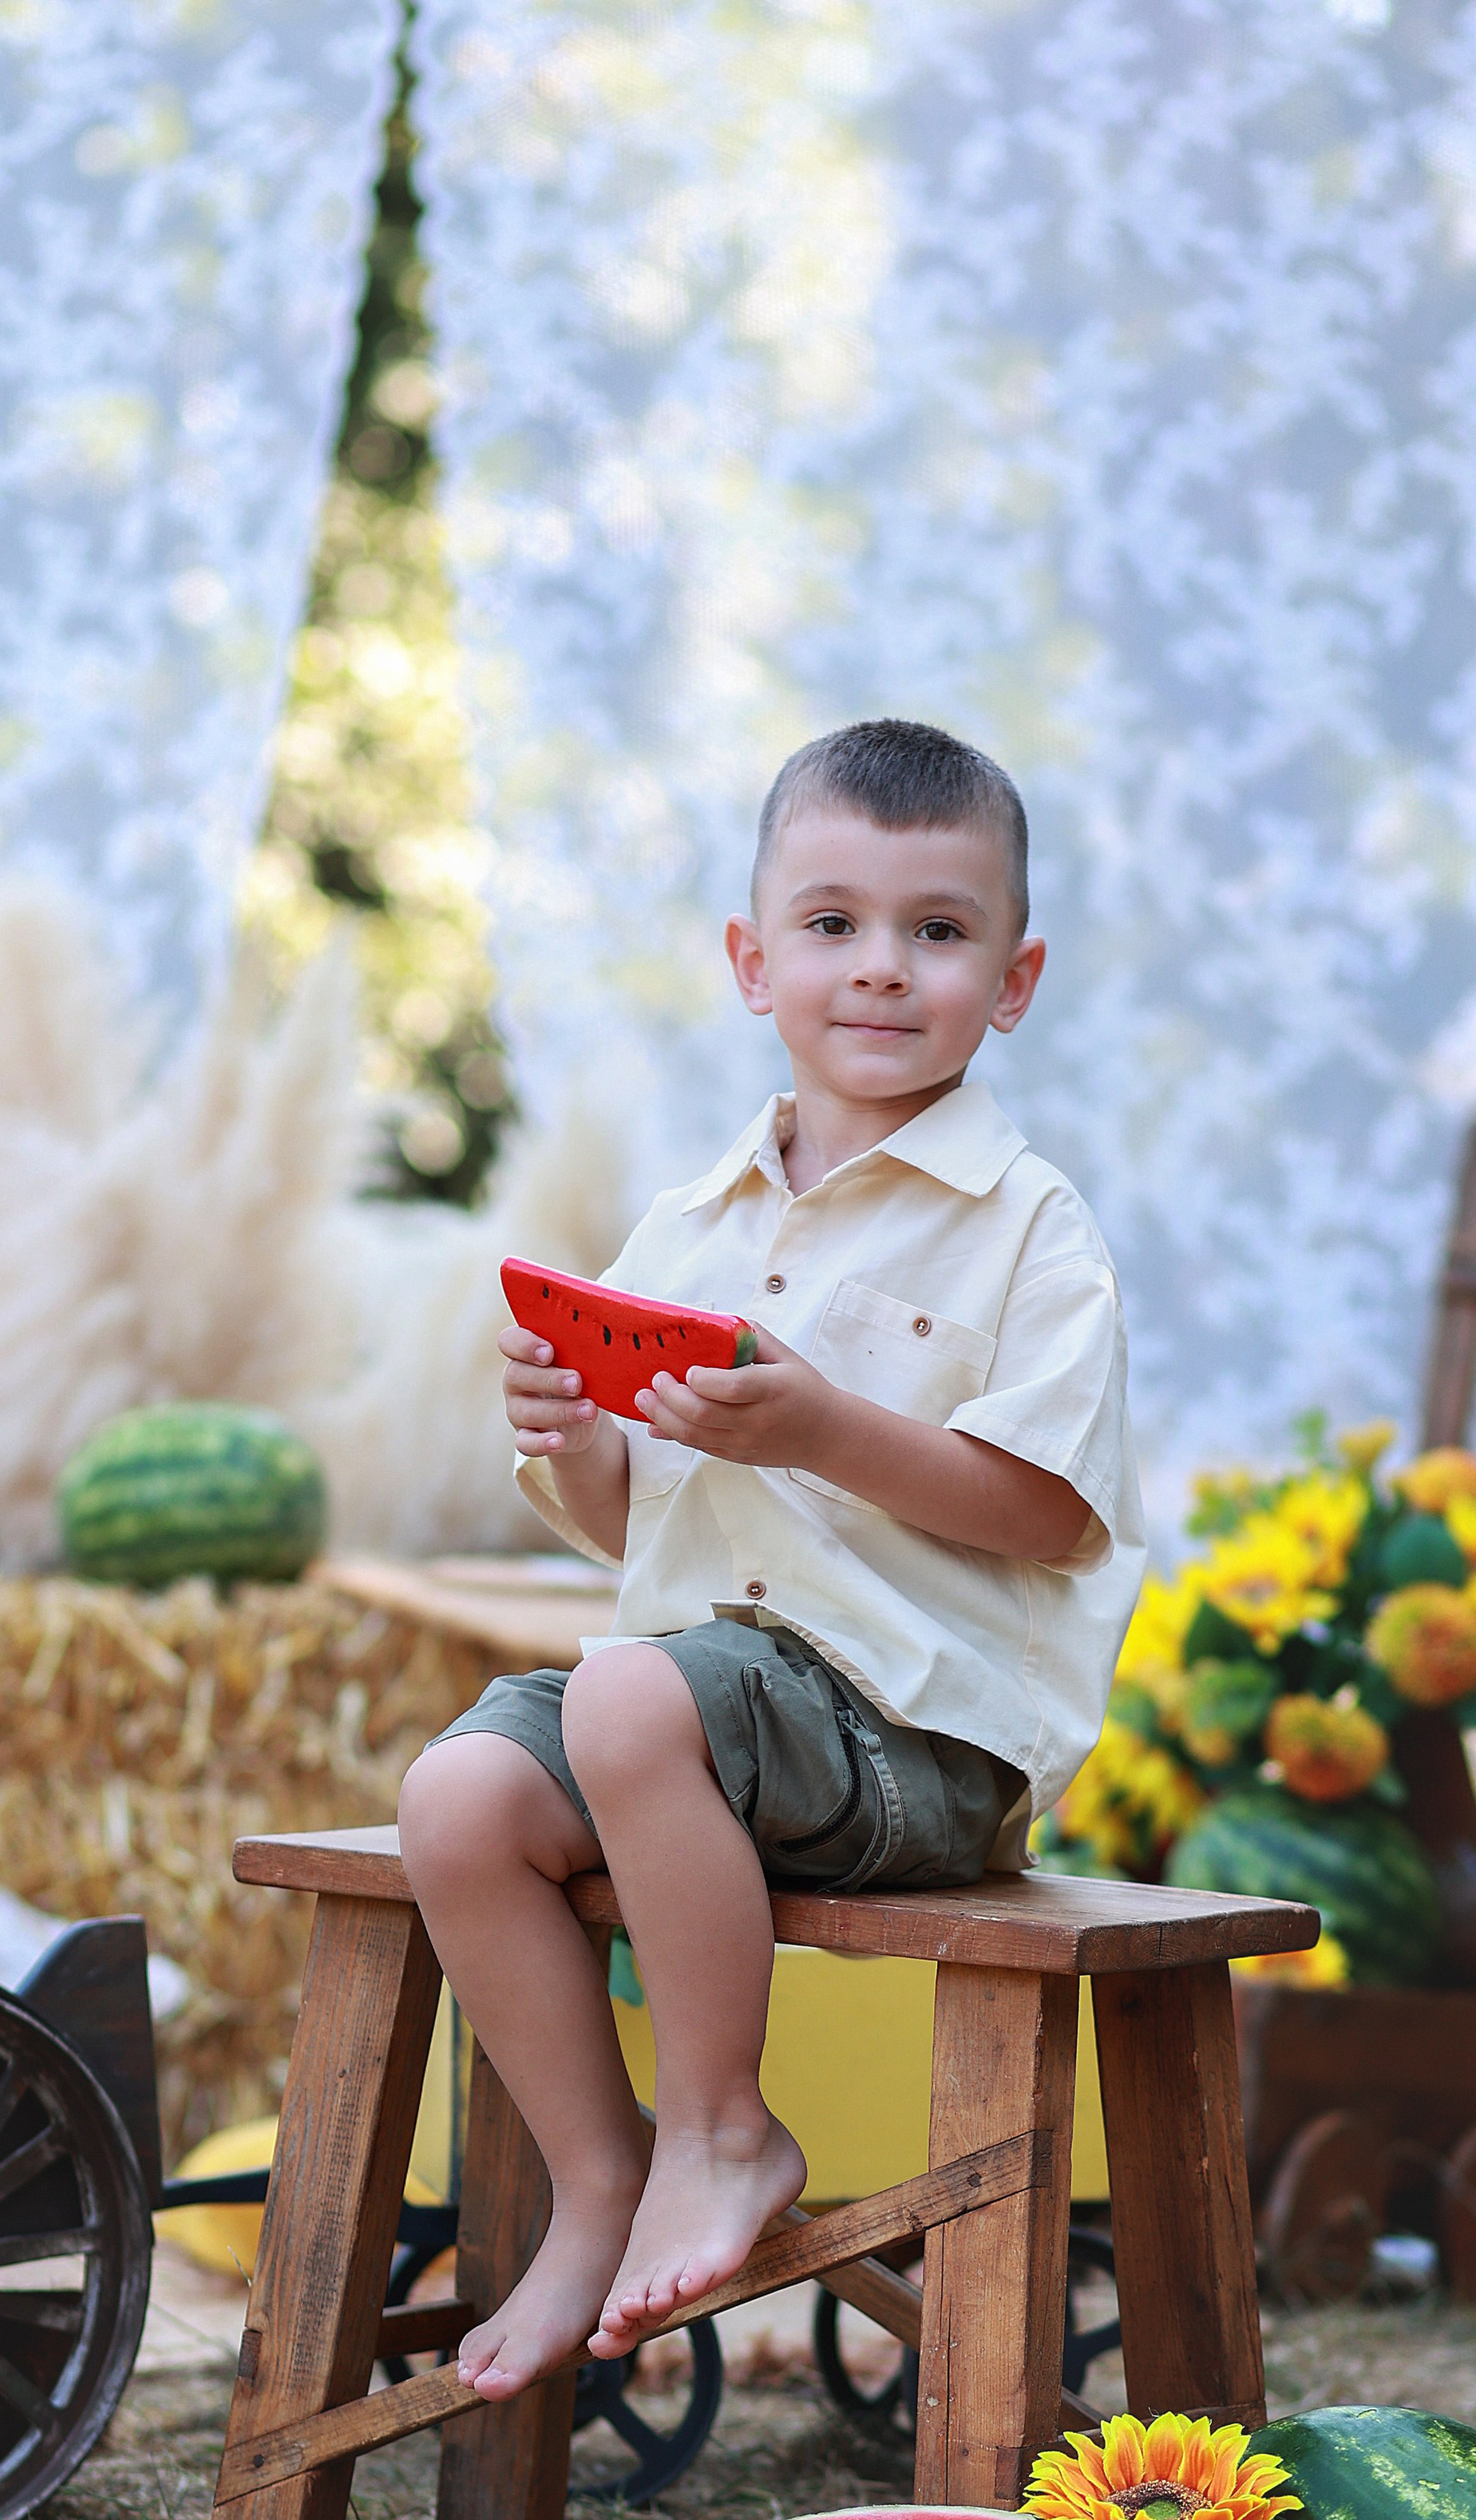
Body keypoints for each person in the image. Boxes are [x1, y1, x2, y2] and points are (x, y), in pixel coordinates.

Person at [397, 717, 1145, 2401]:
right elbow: (640, 1528)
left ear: (1012, 981)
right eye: (831, 923)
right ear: (753, 961)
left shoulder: (1031, 1228)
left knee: (628, 1695)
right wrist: (571, 1433)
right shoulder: (691, 1225)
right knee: (458, 1797)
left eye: (936, 930)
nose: (880, 966)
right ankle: (602, 2172)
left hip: (915, 1736)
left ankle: (726, 2127)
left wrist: (818, 1427)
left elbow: (1048, 1511)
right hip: (699, 1719)